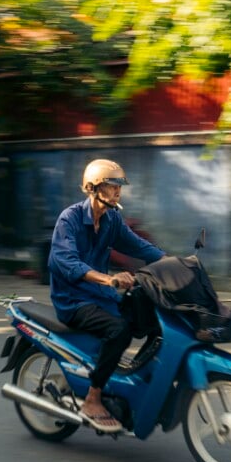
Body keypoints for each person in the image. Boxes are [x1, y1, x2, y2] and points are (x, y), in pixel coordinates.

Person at [48, 158, 165, 432]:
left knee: (152, 319)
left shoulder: (112, 220)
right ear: (93, 187)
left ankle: (134, 382)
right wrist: (109, 279)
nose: (118, 191)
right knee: (120, 331)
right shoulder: (70, 219)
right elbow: (67, 263)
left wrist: (172, 262)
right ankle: (93, 398)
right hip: (73, 301)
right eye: (112, 185)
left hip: (101, 296)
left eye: (119, 186)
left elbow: (138, 246)